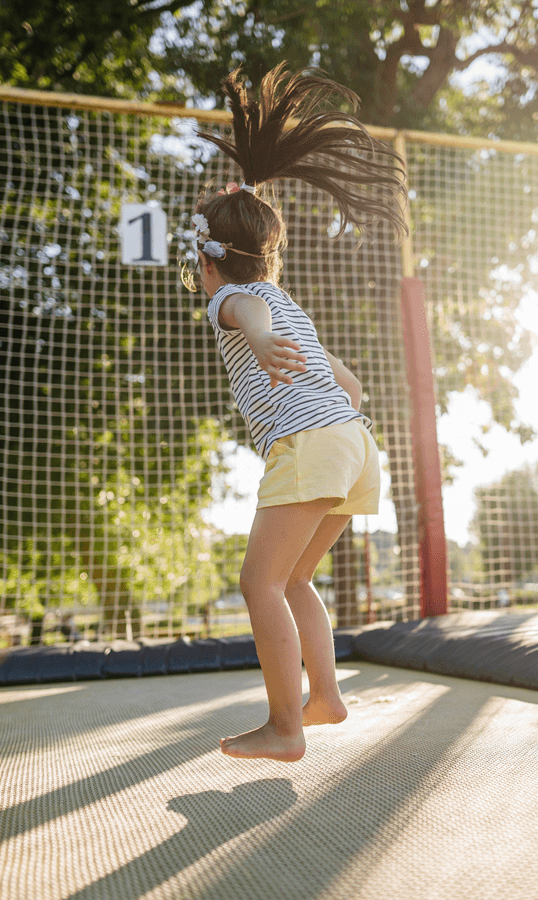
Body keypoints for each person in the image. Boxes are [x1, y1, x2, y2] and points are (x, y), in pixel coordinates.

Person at [187, 65, 406, 761]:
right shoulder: (291, 307)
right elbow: (349, 384)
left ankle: (286, 728)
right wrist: (334, 427)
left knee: (259, 584)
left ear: (210, 262)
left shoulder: (234, 302)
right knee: (295, 578)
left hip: (309, 444)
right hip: (356, 446)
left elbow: (243, 309)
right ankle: (326, 699)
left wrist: (250, 333)